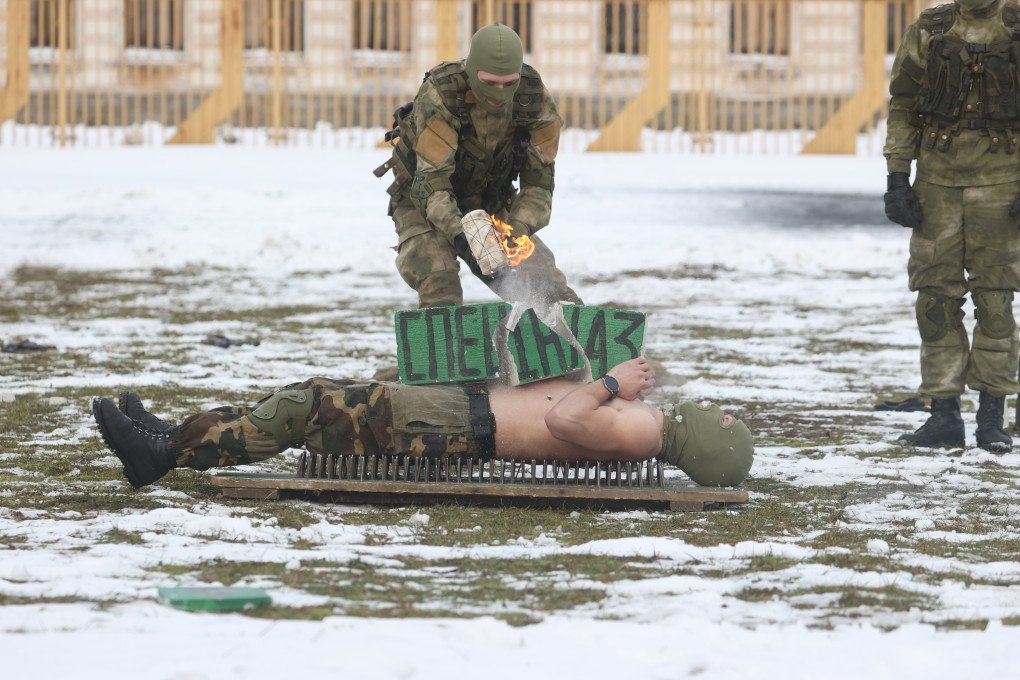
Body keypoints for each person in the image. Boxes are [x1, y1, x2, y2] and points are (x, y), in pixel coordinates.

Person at [91, 357, 754, 490]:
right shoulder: (646, 420)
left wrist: (611, 383)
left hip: (455, 425)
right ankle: (171, 438)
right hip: (458, 406)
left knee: (307, 410)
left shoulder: (643, 432)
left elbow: (566, 421)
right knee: (309, 400)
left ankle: (165, 455)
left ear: (712, 445)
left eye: (730, 423)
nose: (723, 412)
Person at [883, 0, 1020, 452]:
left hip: (1003, 184)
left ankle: (991, 419)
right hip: (937, 186)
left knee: (996, 304)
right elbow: (903, 104)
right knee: (935, 303)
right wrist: (898, 177)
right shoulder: (931, 27)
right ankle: (943, 415)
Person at [375, 23, 581, 309]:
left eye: (509, 83)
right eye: (489, 81)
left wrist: (515, 234)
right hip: (423, 201)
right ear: (472, 72)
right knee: (439, 282)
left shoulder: (533, 99)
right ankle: (441, 353)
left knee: (549, 290)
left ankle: (582, 352)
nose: (499, 92)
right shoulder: (442, 95)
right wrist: (463, 239)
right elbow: (431, 181)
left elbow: (539, 186)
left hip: (490, 202)